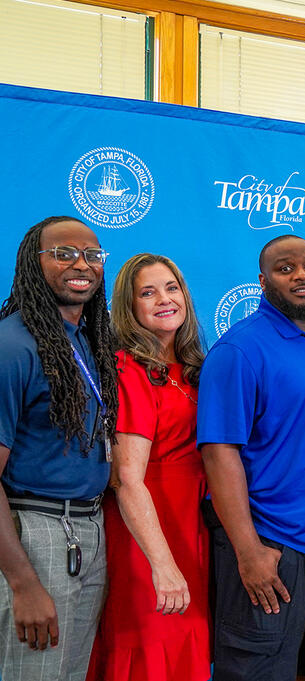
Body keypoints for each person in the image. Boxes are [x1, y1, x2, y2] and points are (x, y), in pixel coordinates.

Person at [197, 235, 305, 681]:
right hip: (273, 544)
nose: (301, 275)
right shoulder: (239, 350)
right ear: (263, 281)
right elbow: (219, 454)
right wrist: (248, 551)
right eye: (286, 268)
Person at [0, 216, 117, 681]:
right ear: (34, 262)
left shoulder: (88, 338)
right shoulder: (12, 345)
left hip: (88, 527)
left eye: (92, 255)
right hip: (35, 533)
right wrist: (23, 582)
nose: (81, 264)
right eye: (64, 254)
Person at [87, 254, 211, 681]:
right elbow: (126, 479)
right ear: (130, 306)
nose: (164, 299)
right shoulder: (129, 369)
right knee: (150, 647)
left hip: (192, 527)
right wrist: (162, 563)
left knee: (185, 645)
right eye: (148, 292)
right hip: (146, 534)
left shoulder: (195, 370)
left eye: (171, 288)